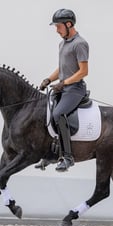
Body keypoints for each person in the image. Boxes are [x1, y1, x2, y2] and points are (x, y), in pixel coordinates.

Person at [40, 9, 89, 172]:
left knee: (58, 114)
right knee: (43, 112)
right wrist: (49, 79)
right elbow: (62, 67)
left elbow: (83, 71)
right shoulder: (62, 43)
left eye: (58, 26)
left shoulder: (80, 43)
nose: (56, 30)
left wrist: (64, 83)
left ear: (69, 24)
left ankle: (68, 157)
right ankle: (50, 154)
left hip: (75, 89)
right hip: (63, 87)